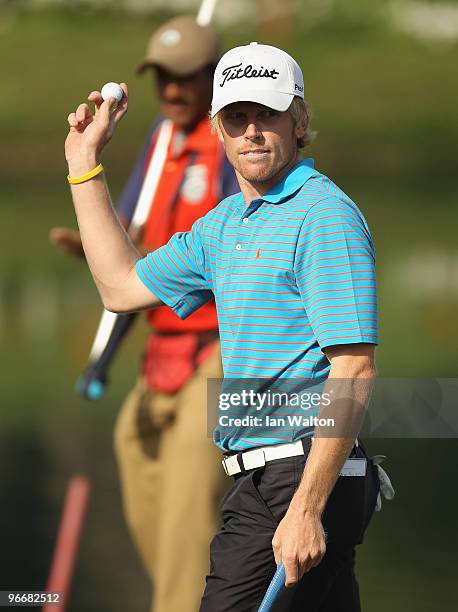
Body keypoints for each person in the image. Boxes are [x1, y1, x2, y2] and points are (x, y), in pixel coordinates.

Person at [64, 41, 383, 611]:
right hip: (254, 479)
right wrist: (84, 165)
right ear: (217, 129)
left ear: (301, 119)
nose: (253, 132)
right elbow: (119, 287)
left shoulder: (324, 215)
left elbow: (354, 369)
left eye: (268, 114)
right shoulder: (223, 225)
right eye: (238, 117)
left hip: (303, 473)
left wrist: (307, 508)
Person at [52, 17, 238, 612]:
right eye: (163, 78)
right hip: (160, 343)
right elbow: (128, 240)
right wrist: (97, 244)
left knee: (190, 511)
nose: (174, 92)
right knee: (134, 448)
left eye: (187, 79)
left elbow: (238, 249)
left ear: (214, 78)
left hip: (220, 350)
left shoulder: (235, 143)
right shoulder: (159, 140)